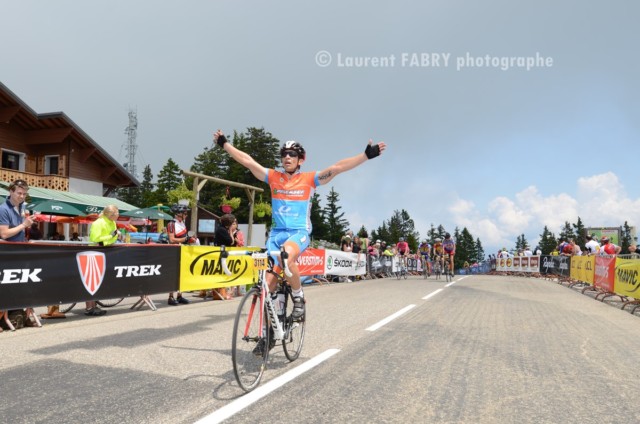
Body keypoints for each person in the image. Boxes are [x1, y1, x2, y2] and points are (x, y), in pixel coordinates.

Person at [213, 129, 386, 338]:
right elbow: (247, 161)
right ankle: (270, 334)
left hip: (299, 233)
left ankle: (298, 296)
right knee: (266, 288)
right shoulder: (273, 177)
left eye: (292, 154)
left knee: (287, 254)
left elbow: (337, 168)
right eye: (284, 154)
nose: (287, 157)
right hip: (276, 235)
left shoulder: (310, 179)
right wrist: (224, 143)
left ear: (300, 159)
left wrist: (365, 156)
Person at [0, 180, 41, 327]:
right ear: (11, 192)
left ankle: (22, 316)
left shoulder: (23, 207)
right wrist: (23, 225)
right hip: (7, 253)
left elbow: (20, 230)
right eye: (19, 193)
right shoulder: (3, 209)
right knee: (5, 286)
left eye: (24, 194)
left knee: (22, 285)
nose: (22, 196)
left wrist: (28, 226)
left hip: (19, 251)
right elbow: (4, 234)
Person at [85, 205, 121, 316]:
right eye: (117, 213)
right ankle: (89, 307)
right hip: (94, 253)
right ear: (111, 214)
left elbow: (113, 238)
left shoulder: (113, 223)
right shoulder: (98, 223)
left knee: (99, 280)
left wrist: (112, 236)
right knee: (91, 280)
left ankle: (94, 305)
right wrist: (110, 236)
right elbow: (95, 239)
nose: (118, 215)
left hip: (105, 251)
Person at [166, 203, 193, 305]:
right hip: (174, 251)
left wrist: (189, 239)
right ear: (179, 214)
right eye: (185, 213)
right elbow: (172, 239)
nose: (186, 215)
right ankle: (171, 297)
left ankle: (180, 295)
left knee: (182, 274)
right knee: (174, 274)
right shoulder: (171, 224)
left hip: (183, 250)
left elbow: (184, 238)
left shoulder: (182, 223)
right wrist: (186, 238)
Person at [212, 213, 237, 300]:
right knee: (222, 273)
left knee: (223, 272)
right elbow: (231, 241)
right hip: (221, 254)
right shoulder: (222, 230)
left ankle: (222, 292)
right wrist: (230, 231)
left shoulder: (221, 229)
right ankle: (221, 293)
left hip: (222, 253)